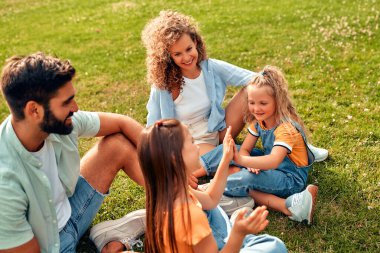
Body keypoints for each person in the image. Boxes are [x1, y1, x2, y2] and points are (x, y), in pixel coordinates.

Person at [141, 10, 328, 187]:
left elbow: (259, 79)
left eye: (189, 49)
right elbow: (152, 128)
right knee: (231, 160)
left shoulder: (210, 68)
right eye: (177, 54)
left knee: (259, 89)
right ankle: (236, 171)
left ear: (196, 43)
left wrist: (267, 87)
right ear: (167, 57)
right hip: (191, 144)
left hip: (217, 130)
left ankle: (299, 143)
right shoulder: (162, 86)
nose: (186, 57)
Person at [0, 52, 145, 253]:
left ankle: (178, 202)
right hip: (49, 248)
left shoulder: (55, 123)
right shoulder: (5, 182)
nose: (75, 108)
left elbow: (122, 123)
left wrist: (168, 168)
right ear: (34, 110)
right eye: (67, 102)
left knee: (117, 145)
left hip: (72, 212)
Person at [138, 119, 287, 253]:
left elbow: (210, 199)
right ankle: (234, 229)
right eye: (191, 142)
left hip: (215, 239)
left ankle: (233, 229)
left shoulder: (172, 193)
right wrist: (238, 233)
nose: (197, 146)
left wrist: (226, 158)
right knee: (275, 247)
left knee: (270, 244)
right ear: (175, 158)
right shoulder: (191, 217)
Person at [222, 66, 318, 225]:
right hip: (272, 170)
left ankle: (210, 191)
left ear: (277, 101)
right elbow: (245, 149)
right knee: (231, 150)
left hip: (290, 179)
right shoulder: (259, 121)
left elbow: (273, 160)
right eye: (251, 102)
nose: (256, 108)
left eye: (263, 103)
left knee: (247, 178)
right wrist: (247, 160)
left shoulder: (286, 129)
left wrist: (243, 161)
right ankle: (200, 168)